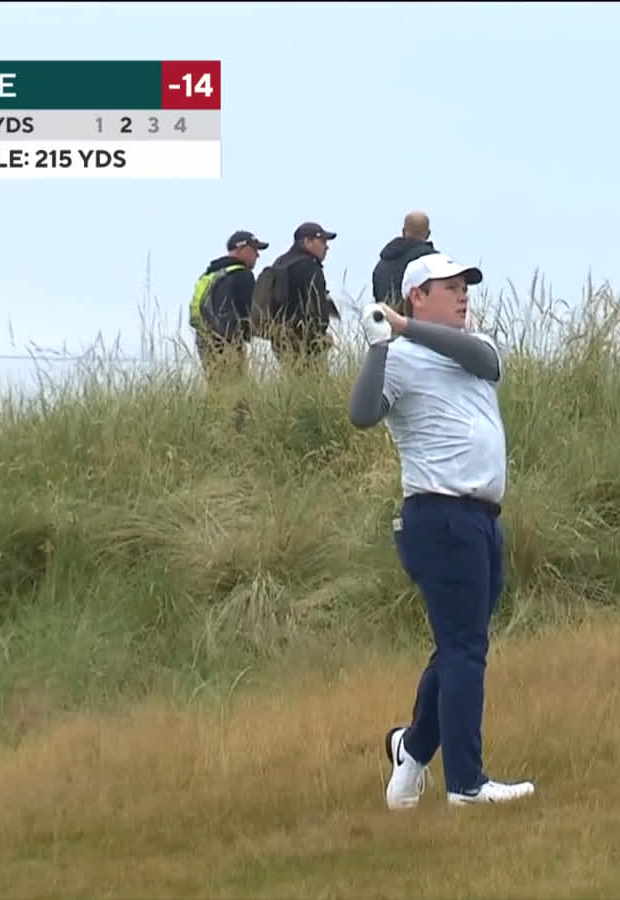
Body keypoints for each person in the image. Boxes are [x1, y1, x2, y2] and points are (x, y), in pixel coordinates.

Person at [347, 252, 536, 809]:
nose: (462, 295)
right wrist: (381, 343)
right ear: (416, 296)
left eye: (464, 287)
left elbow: (481, 356)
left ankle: (411, 748)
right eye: (448, 287)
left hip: (481, 519)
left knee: (459, 646)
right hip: (439, 515)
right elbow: (362, 413)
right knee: (464, 649)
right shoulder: (400, 359)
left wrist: (406, 326)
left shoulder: (474, 351)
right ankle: (466, 784)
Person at [189, 230, 267, 384]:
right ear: (240, 249)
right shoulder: (243, 275)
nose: (257, 255)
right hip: (230, 344)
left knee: (217, 389)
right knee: (236, 393)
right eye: (254, 249)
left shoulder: (211, 274)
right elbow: (250, 314)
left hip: (205, 341)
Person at [264, 222, 341, 370]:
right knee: (315, 387)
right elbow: (316, 307)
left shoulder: (280, 262)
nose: (327, 247)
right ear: (307, 242)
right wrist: (320, 336)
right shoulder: (309, 265)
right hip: (306, 343)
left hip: (280, 339)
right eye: (322, 241)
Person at [371, 211, 438, 313]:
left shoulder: (382, 264)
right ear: (428, 234)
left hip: (385, 323)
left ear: (403, 231)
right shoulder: (433, 261)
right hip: (415, 326)